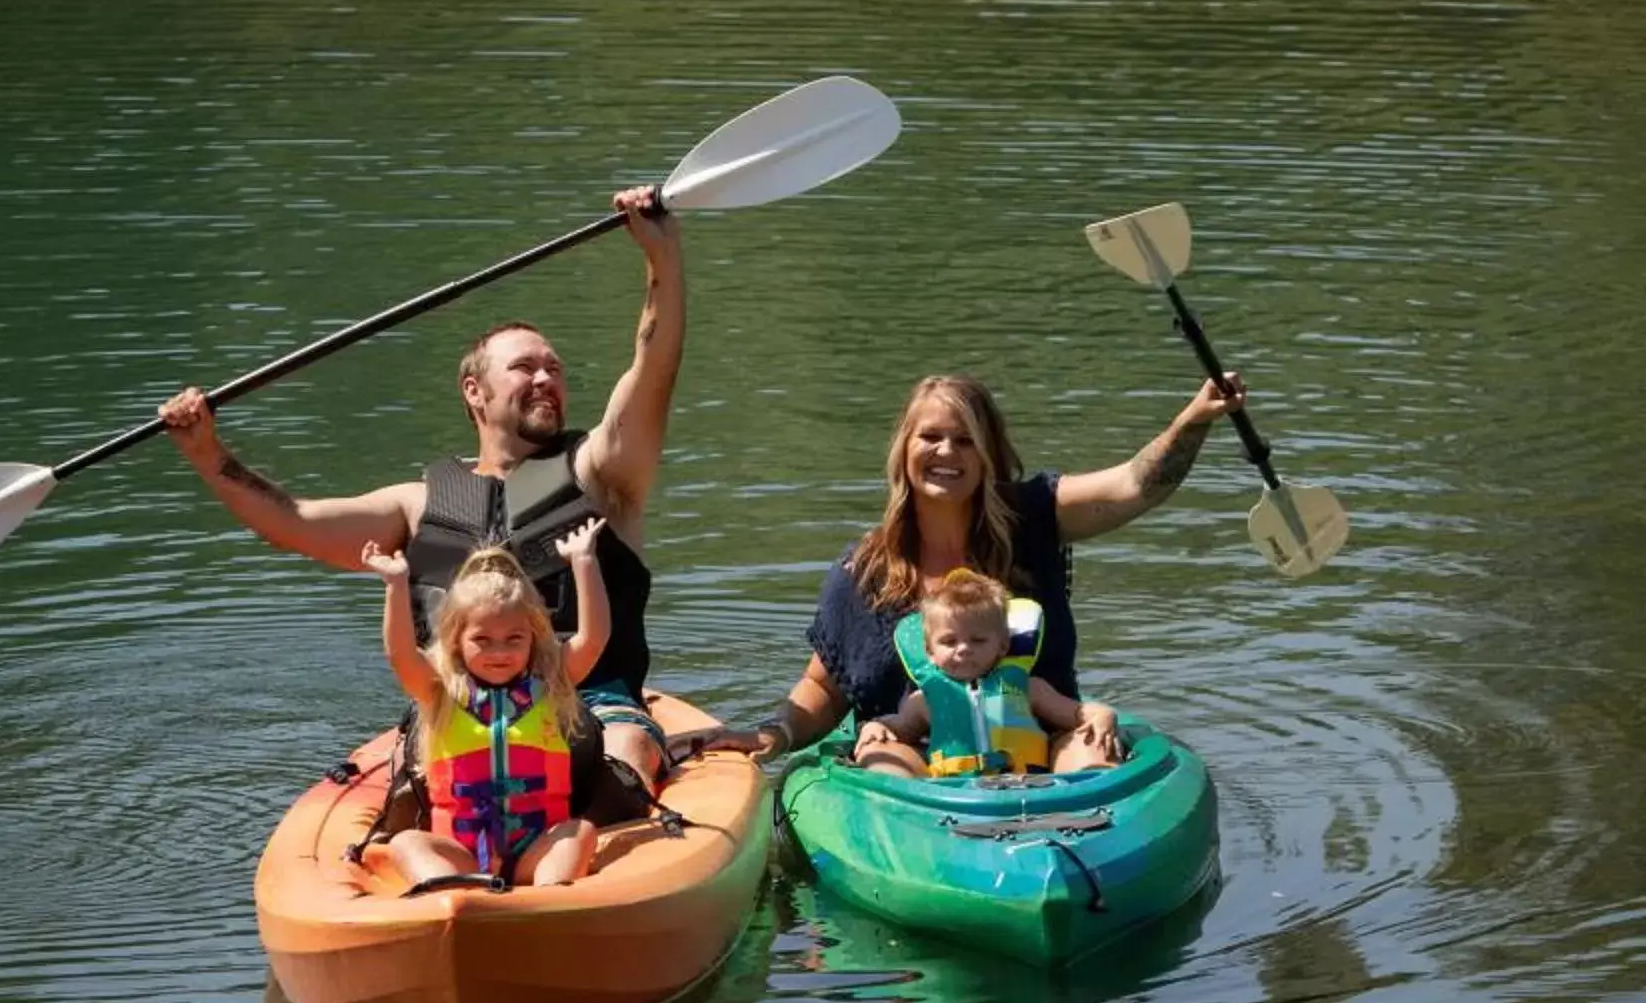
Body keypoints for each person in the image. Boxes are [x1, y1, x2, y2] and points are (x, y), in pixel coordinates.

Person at [157, 188, 683, 797]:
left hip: (587, 703)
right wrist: (207, 454)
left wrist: (661, 261)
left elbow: (654, 367)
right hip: (457, 715)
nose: (546, 379)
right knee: (414, 784)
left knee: (628, 748)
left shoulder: (602, 470)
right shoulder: (417, 504)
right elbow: (291, 523)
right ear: (474, 391)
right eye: (524, 367)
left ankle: (619, 837)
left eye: (555, 369)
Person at [744, 366, 1247, 767]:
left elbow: (1135, 486)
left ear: (989, 455)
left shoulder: (1033, 518)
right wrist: (776, 733)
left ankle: (1080, 859)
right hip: (912, 760)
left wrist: (1196, 418)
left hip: (1044, 747)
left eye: (965, 440)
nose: (946, 452)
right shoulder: (865, 570)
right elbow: (822, 689)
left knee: (1092, 752)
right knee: (883, 755)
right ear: (904, 449)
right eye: (930, 437)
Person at [361, 524, 610, 889]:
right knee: (406, 842)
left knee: (579, 831)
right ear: (457, 640)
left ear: (532, 638)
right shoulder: (439, 692)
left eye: (514, 639)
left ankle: (551, 901)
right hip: (462, 855)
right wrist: (396, 585)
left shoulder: (551, 685)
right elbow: (400, 654)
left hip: (534, 852)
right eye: (483, 640)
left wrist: (584, 561)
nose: (499, 652)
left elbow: (593, 639)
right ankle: (449, 893)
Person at [853, 567, 1121, 780]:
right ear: (930, 651)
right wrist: (876, 727)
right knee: (878, 753)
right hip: (953, 791)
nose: (963, 649)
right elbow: (900, 728)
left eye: (978, 641)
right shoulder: (924, 700)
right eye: (949, 641)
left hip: (1031, 785)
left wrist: (1101, 715)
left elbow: (1075, 713)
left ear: (1002, 646)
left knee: (1091, 743)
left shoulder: (1029, 688)